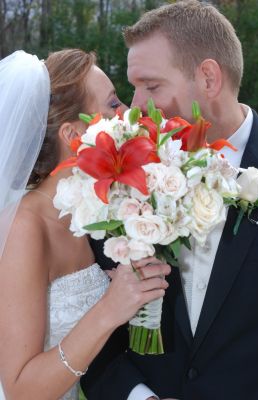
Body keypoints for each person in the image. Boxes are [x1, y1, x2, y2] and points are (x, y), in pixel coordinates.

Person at [80, 1, 258, 400]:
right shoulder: (124, 179)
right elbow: (93, 325)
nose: (136, 107)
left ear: (209, 78)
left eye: (151, 86)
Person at [0, 49, 171, 400]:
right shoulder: (25, 227)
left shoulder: (94, 212)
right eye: (112, 104)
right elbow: (20, 389)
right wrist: (110, 307)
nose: (127, 113)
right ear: (72, 135)